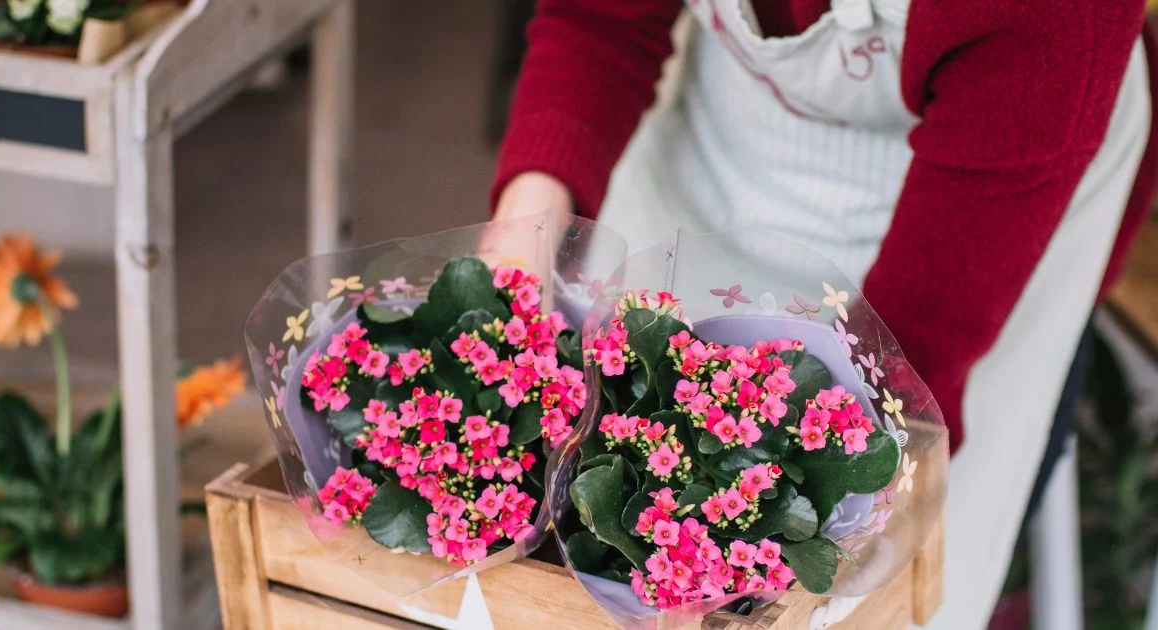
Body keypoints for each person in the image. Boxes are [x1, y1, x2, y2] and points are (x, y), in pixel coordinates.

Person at [485, 1, 1158, 627]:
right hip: (723, 130)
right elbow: (601, 21)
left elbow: (913, 361)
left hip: (989, 193)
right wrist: (522, 240)